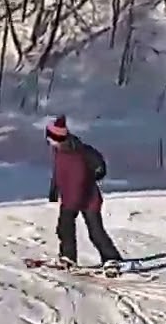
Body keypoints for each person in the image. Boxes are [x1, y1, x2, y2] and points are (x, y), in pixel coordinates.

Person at [45, 115, 126, 271]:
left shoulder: (79, 152)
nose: (49, 141)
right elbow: (59, 172)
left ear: (58, 138)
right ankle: (68, 257)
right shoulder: (59, 151)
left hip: (88, 198)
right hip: (70, 198)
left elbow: (94, 169)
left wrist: (95, 176)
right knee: (64, 228)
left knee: (95, 231)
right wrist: (54, 191)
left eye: (50, 138)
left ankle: (112, 259)